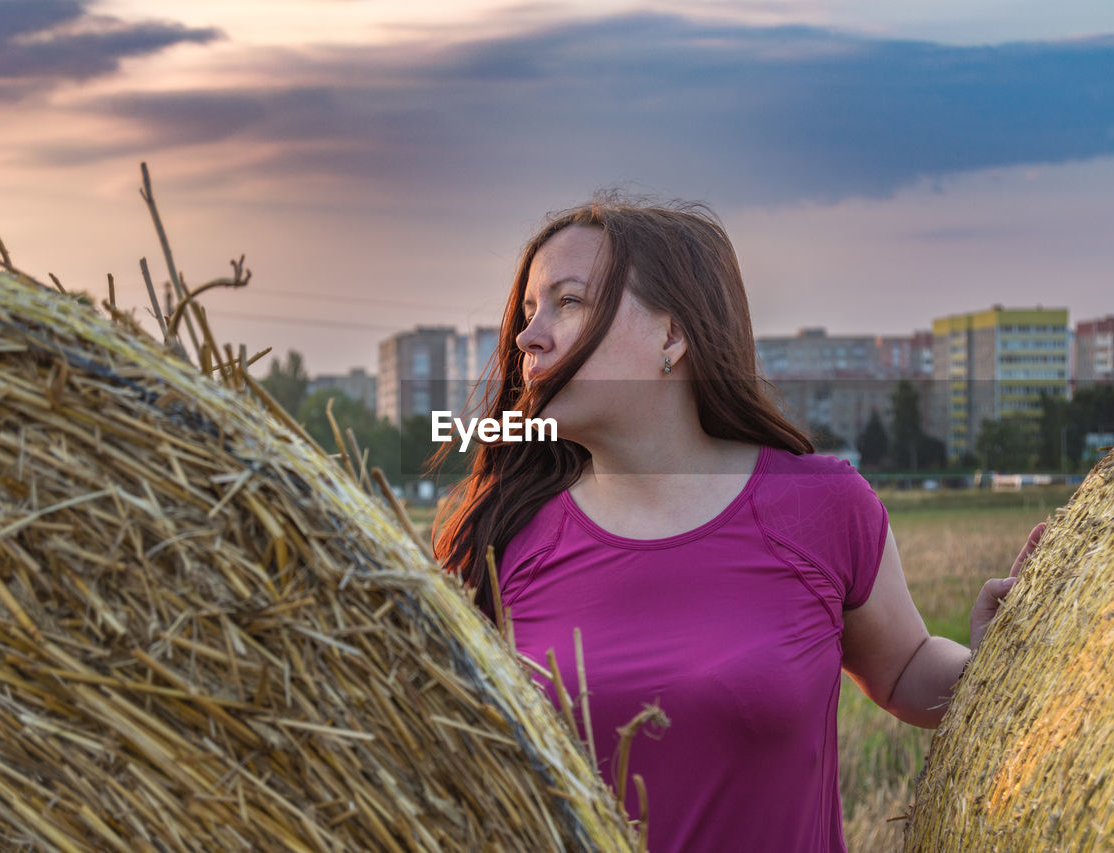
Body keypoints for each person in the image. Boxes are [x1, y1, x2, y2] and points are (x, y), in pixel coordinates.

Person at [434, 198, 1044, 852]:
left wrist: (992, 666)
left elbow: (903, 670)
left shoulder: (822, 506)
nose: (530, 336)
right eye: (529, 311)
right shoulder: (498, 544)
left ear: (672, 337)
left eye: (569, 302)